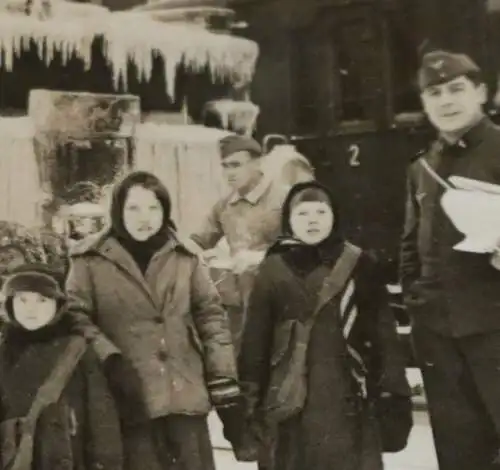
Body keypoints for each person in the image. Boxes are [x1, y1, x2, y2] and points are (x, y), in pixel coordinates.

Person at [64, 171, 240, 470]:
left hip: (184, 397)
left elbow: (211, 318)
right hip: (127, 400)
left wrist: (223, 380)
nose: (144, 217)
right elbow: (75, 317)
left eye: (153, 207)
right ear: (118, 210)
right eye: (133, 208)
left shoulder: (185, 258)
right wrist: (111, 360)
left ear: (165, 210)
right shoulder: (89, 260)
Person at [240, 181, 411, 470]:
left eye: (320, 212)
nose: (312, 221)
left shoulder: (358, 264)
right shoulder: (273, 268)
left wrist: (391, 391)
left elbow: (383, 335)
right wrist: (249, 401)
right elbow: (255, 340)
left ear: (334, 216)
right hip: (289, 399)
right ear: (289, 220)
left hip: (347, 397)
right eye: (303, 214)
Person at [400, 49, 500, 470]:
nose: (446, 100)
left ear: (480, 92)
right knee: (460, 454)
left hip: (495, 328)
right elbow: (410, 246)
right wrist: (416, 303)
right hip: (439, 332)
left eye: (456, 89)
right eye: (434, 92)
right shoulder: (423, 167)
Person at [0, 263, 123, 470]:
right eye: (22, 300)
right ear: (10, 305)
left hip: (68, 458)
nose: (31, 309)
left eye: (42, 300)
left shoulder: (77, 350)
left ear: (58, 305)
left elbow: (101, 419)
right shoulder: (4, 352)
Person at [190, 134, 288, 353]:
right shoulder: (226, 205)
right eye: (225, 166)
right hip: (241, 304)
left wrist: (259, 258)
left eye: (236, 165)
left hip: (281, 302)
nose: (229, 173)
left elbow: (303, 249)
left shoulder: (285, 199)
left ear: (257, 163)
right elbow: (198, 240)